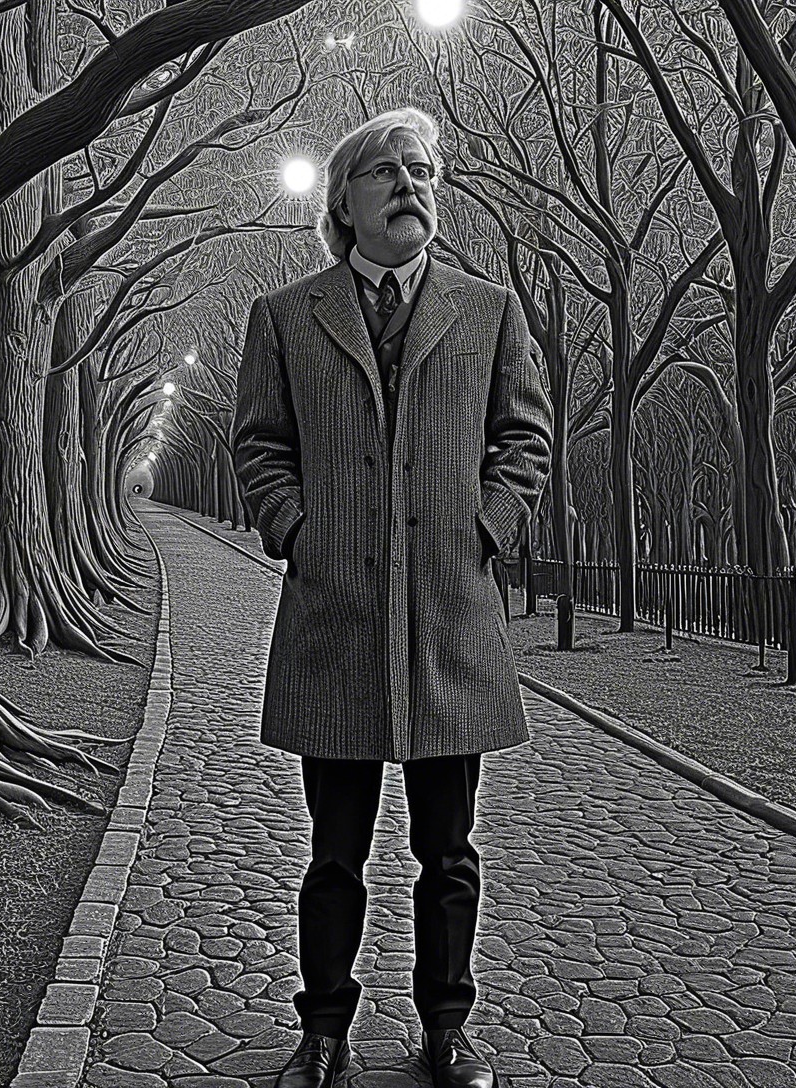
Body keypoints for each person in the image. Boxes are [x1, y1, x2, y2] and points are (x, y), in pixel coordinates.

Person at [231, 108, 553, 1088]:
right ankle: (322, 1028)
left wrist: (484, 529)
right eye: (387, 172)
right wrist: (297, 530)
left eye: (422, 170)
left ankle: (445, 1029)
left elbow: (525, 440)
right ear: (344, 201)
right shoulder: (285, 316)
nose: (410, 185)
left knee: (446, 851)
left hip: (449, 622)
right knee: (333, 854)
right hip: (334, 621)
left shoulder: (486, 307)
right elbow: (257, 447)